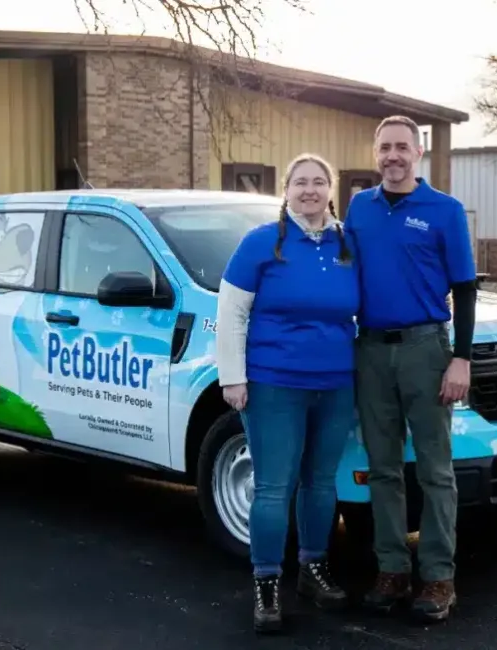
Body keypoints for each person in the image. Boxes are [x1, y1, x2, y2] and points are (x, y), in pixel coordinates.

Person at [215, 153, 361, 634]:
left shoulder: (348, 245)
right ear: (286, 190)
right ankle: (267, 582)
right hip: (274, 382)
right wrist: (232, 377)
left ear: (331, 190)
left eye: (319, 182)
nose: (310, 190)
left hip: (336, 383)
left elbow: (367, 307)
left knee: (322, 482)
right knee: (275, 487)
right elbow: (232, 313)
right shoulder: (261, 243)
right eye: (301, 182)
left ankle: (313, 569)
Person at [343, 115, 477, 623]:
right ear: (375, 153)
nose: (393, 156)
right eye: (384, 148)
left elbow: (464, 289)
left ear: (417, 153)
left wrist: (460, 358)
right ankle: (392, 570)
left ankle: (439, 577)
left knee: (436, 470)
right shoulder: (359, 207)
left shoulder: (444, 210)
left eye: (402, 147)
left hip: (426, 350)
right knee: (383, 469)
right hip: (371, 350)